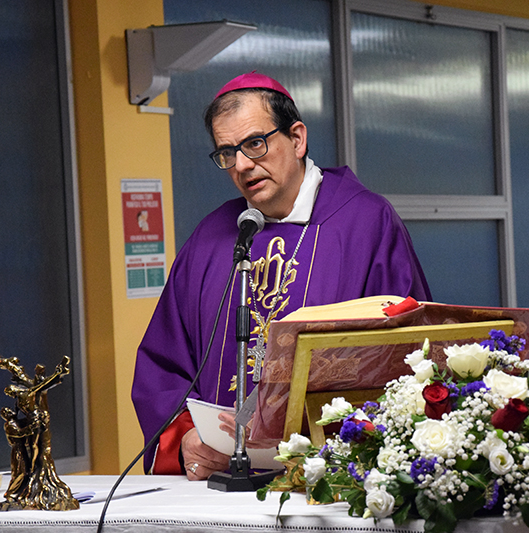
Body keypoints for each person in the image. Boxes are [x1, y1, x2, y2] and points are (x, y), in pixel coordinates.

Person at [131, 72, 431, 480]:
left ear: (297, 139)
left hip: (330, 478)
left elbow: (406, 351)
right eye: (226, 152)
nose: (241, 165)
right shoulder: (212, 238)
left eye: (255, 144)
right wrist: (185, 438)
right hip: (220, 486)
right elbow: (162, 365)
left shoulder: (364, 223)